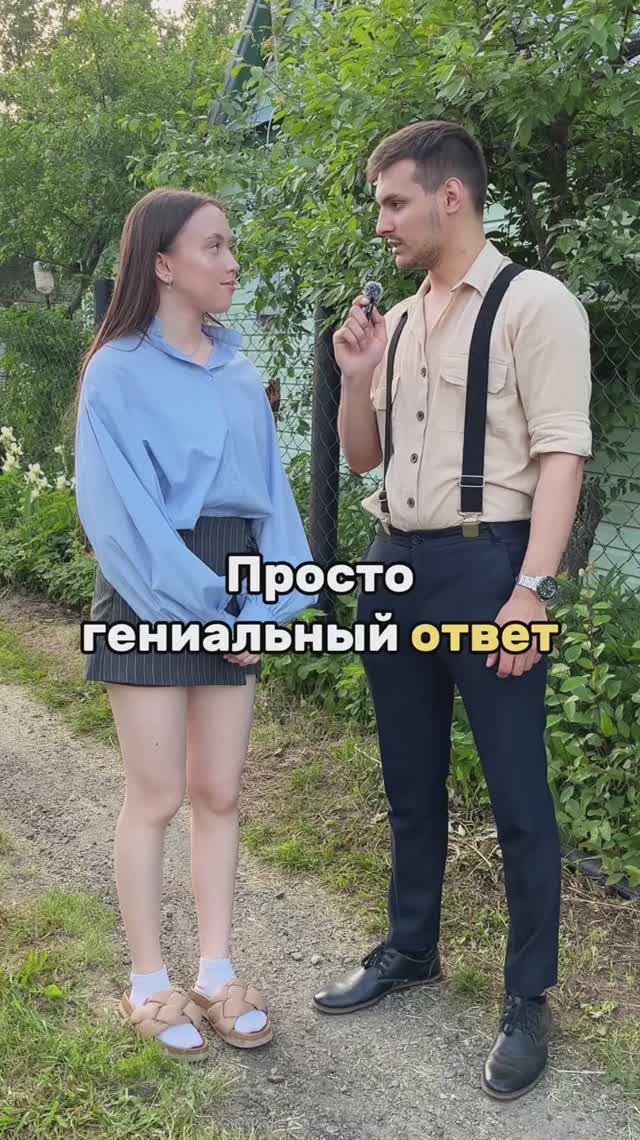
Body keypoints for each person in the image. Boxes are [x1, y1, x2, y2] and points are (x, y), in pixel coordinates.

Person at [312, 120, 592, 1101]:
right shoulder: (394, 321)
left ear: (450, 197)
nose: (381, 222)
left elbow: (562, 453)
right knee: (408, 778)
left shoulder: (534, 304)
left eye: (393, 202)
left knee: (517, 795)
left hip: (489, 568)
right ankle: (412, 946)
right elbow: (361, 455)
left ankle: (527, 997)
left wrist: (532, 591)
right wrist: (355, 379)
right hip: (395, 563)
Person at [74, 187, 315, 1061]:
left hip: (236, 593)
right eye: (213, 246)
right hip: (151, 591)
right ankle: (148, 982)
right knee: (157, 796)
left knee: (219, 791)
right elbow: (121, 521)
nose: (232, 261)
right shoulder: (115, 370)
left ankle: (215, 972)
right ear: (163, 264)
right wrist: (214, 612)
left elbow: (273, 504)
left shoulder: (242, 375)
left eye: (231, 243)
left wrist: (268, 608)